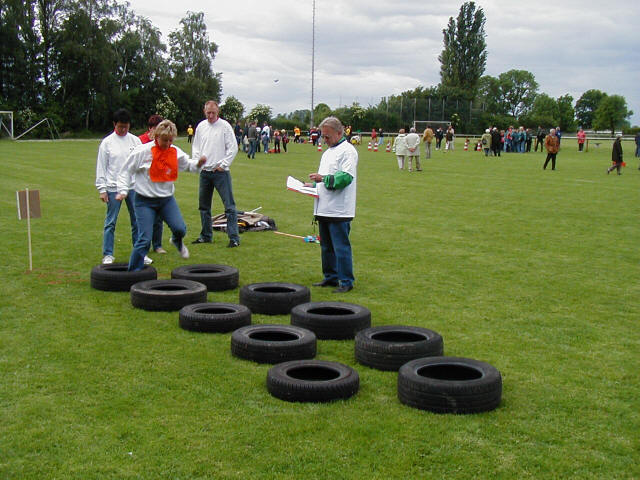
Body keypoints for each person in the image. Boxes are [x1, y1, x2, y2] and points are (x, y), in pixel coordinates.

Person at [116, 120, 206, 271]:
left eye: (171, 140)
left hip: (166, 200)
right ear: (156, 136)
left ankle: (176, 241)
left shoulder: (174, 152)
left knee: (180, 229)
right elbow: (125, 171)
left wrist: (198, 164)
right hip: (144, 201)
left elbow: (188, 165)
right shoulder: (142, 152)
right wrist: (123, 190)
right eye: (165, 140)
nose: (167, 144)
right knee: (144, 239)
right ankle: (133, 273)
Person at [306, 116, 358, 293]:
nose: (324, 139)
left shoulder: (348, 151)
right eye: (323, 136)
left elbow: (345, 178)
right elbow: (324, 178)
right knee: (326, 246)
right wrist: (312, 186)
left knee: (340, 247)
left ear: (339, 133)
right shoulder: (327, 152)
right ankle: (330, 277)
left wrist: (323, 179)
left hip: (339, 209)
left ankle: (346, 281)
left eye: (327, 136)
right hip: (324, 207)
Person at [95, 108, 150, 266]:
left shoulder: (135, 141)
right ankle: (108, 254)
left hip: (133, 187)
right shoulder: (107, 143)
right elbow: (101, 166)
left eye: (126, 127)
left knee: (137, 221)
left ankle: (140, 254)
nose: (123, 129)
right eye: (120, 127)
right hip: (113, 188)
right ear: (114, 124)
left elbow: (142, 163)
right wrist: (102, 189)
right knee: (111, 222)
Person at [191, 100, 241, 248]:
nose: (211, 115)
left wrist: (223, 165)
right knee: (204, 206)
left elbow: (233, 148)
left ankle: (234, 238)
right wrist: (198, 163)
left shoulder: (225, 126)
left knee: (229, 206)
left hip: (220, 173)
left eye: (213, 113)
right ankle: (206, 235)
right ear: (204, 111)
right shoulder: (201, 127)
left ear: (217, 111)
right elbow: (196, 147)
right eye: (208, 113)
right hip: (205, 173)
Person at [139, 114, 168, 255]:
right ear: (150, 128)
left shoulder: (163, 142)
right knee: (144, 219)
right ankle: (143, 245)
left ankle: (157, 245)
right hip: (144, 185)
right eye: (156, 128)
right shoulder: (140, 141)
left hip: (158, 183)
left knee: (158, 217)